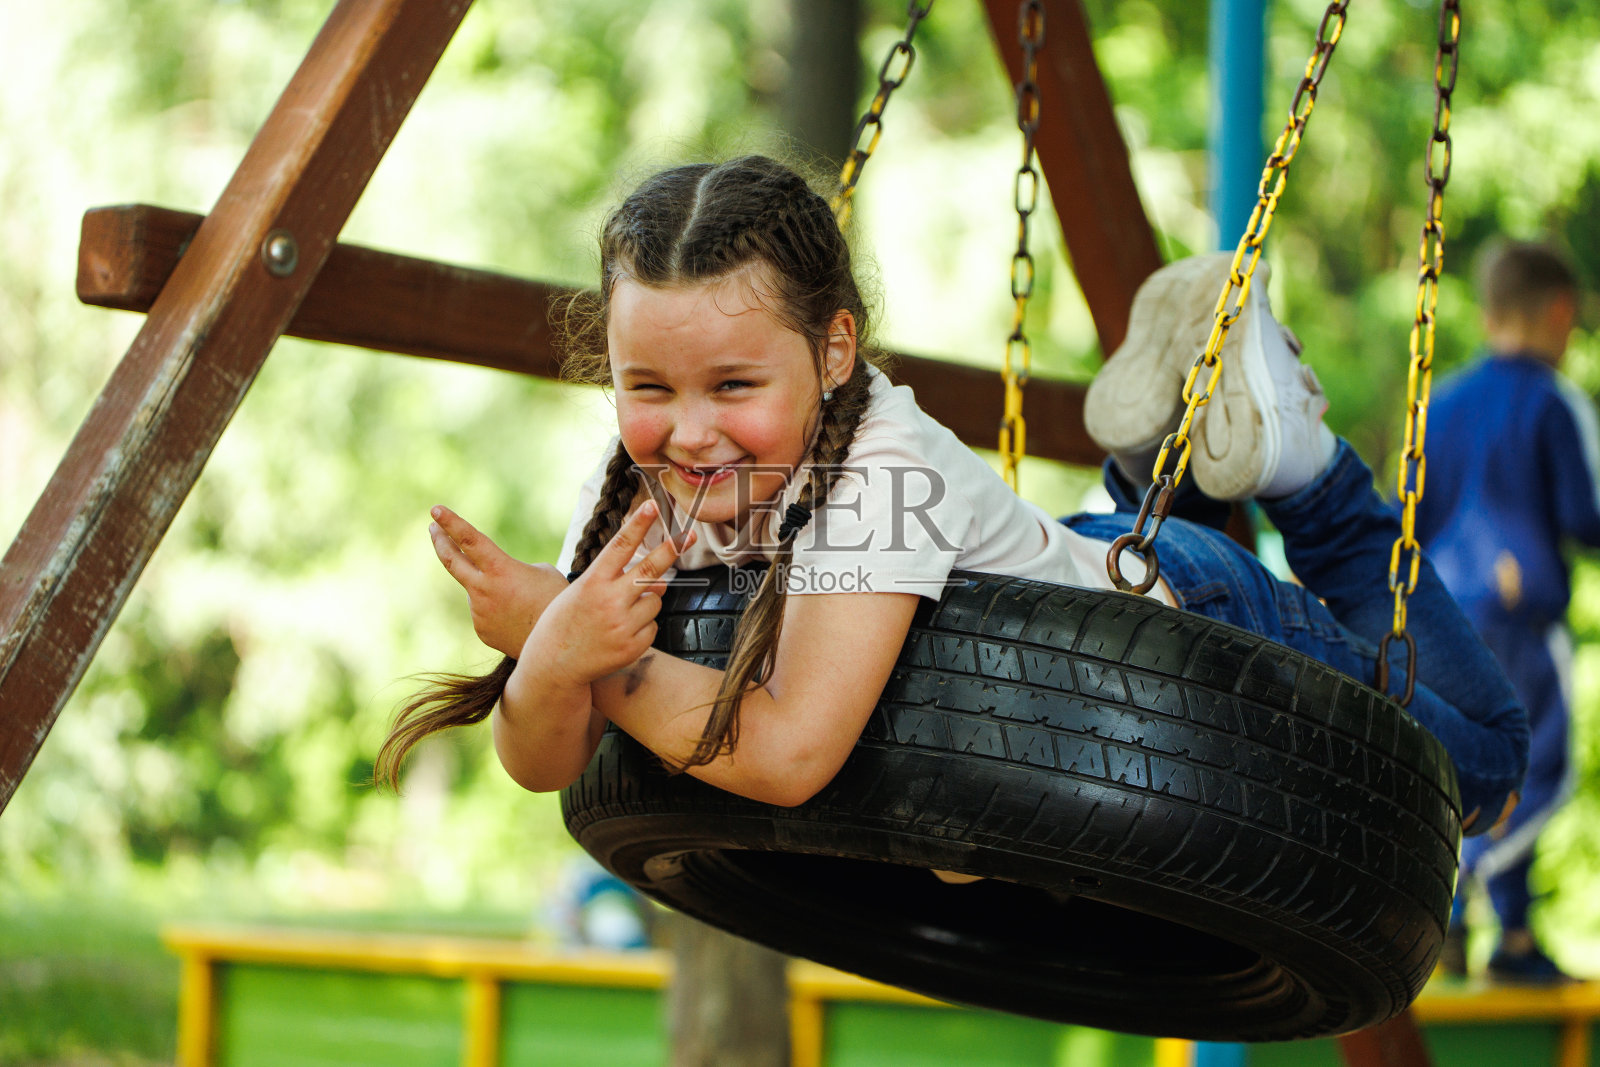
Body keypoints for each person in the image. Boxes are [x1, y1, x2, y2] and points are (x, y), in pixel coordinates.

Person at [376, 156, 1525, 855]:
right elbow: (540, 759)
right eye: (648, 387)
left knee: (1477, 769)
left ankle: (1300, 466)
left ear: (834, 353)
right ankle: (1144, 457)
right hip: (1058, 583)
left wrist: (567, 640)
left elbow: (782, 755)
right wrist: (553, 659)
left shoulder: (884, 466)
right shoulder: (640, 487)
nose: (690, 430)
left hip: (1180, 628)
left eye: (735, 385)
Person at [1414, 239, 1590, 983]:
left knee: (1463, 769)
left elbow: (1408, 516)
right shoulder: (1554, 400)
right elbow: (1588, 516)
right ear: (1560, 312)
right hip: (1521, 620)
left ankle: (1486, 935)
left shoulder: (1444, 397)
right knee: (1544, 767)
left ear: (1488, 315)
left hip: (1447, 618)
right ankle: (1481, 912)